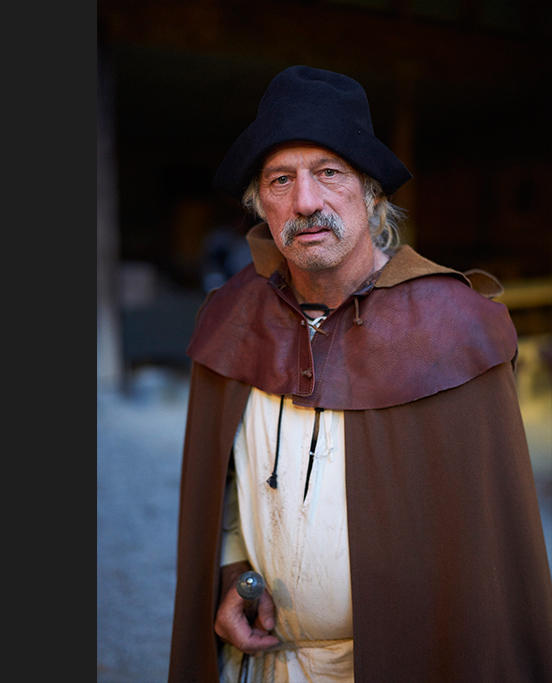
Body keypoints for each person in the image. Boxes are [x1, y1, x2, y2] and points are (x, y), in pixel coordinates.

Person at [167, 65, 552, 682]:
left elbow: (486, 545)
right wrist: (232, 573)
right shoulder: (233, 318)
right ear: (259, 204)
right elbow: (231, 484)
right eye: (280, 179)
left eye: (329, 173)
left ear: (371, 193)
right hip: (273, 665)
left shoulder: (453, 328)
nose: (307, 202)